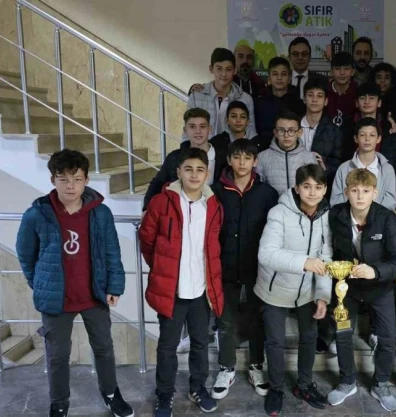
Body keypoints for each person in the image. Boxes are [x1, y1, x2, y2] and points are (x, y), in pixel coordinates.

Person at [16, 149, 133, 417]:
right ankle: (59, 402)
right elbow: (25, 253)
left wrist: (115, 286)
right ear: (52, 180)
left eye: (77, 179)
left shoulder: (100, 212)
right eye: (64, 179)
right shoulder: (37, 214)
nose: (71, 185)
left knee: (104, 348)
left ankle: (111, 394)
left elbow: (112, 251)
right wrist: (41, 283)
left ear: (86, 180)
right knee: (57, 355)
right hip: (57, 300)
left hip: (94, 294)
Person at [139, 147, 225, 417]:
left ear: (207, 174)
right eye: (188, 169)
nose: (194, 175)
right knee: (167, 346)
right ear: (178, 172)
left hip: (201, 290)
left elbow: (213, 245)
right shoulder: (161, 203)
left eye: (200, 170)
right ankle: (164, 395)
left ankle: (197, 388)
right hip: (172, 289)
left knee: (200, 342)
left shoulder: (213, 205)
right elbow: (147, 242)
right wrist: (162, 269)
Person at [326, 168, 396, 411]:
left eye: (365, 191)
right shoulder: (336, 215)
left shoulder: (387, 219)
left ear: (375, 193)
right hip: (347, 288)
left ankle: (381, 383)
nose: (360, 196)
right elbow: (327, 247)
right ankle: (347, 381)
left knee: (387, 337)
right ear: (346, 192)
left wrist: (375, 270)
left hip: (380, 287)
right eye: (354, 191)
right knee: (343, 333)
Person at [254, 164, 333, 416]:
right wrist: (304, 262)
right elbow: (266, 253)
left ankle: (304, 385)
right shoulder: (278, 212)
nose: (312, 192)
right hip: (274, 288)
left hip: (307, 290)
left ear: (325, 189)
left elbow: (326, 258)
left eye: (318, 187)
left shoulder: (326, 215)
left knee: (309, 336)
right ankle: (276, 389)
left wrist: (323, 295)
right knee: (275, 341)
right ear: (297, 188)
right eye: (306, 186)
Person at [211, 139, 279, 399]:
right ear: (229, 160)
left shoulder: (267, 193)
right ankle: (226, 368)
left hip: (257, 266)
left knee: (256, 319)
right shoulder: (215, 192)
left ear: (255, 161)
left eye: (247, 158)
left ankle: (256, 366)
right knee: (225, 320)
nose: (242, 163)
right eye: (237, 157)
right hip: (224, 266)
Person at [143, 108, 223, 211]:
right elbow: (157, 184)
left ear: (209, 129)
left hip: (214, 213)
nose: (198, 131)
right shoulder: (174, 157)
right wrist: (146, 209)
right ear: (185, 130)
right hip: (180, 213)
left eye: (202, 126)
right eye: (192, 126)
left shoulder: (223, 158)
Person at [346, 83, 396, 201]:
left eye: (372, 98)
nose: (367, 102)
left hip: (383, 189)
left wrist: (394, 191)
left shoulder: (390, 130)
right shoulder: (347, 128)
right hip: (352, 190)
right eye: (362, 98)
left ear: (379, 103)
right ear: (356, 103)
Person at [331, 117, 396, 210]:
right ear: (356, 138)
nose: (367, 139)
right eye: (362, 135)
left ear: (378, 138)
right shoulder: (344, 168)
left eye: (372, 135)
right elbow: (336, 202)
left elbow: (390, 202)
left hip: (379, 218)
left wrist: (371, 215)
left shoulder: (387, 169)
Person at [188, 47, 255, 138]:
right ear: (211, 69)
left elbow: (250, 131)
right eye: (219, 68)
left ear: (235, 70)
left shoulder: (246, 99)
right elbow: (188, 129)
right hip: (203, 146)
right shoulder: (196, 96)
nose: (224, 74)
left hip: (234, 146)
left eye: (228, 69)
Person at [257, 109, 318, 193]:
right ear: (275, 133)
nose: (286, 135)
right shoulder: (262, 158)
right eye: (281, 130)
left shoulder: (309, 157)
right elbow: (258, 190)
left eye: (291, 130)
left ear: (299, 132)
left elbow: (316, 188)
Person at [300, 78, 344, 194]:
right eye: (310, 95)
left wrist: (325, 167)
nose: (314, 100)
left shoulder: (335, 131)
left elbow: (338, 164)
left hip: (320, 187)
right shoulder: (293, 127)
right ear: (304, 99)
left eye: (319, 96)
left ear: (326, 101)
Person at [255, 56, 305, 143]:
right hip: (264, 147)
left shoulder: (298, 103)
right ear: (269, 78)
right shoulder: (259, 103)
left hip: (291, 147)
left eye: (283, 74)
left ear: (289, 78)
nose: (279, 78)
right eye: (275, 74)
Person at [372, 62, 396, 144]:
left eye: (386, 78)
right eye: (379, 77)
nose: (382, 81)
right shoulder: (368, 101)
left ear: (392, 81)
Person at [326, 52, 358, 130]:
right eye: (337, 69)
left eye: (346, 69)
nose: (342, 73)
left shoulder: (358, 92)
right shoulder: (324, 91)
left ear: (353, 71)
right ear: (331, 71)